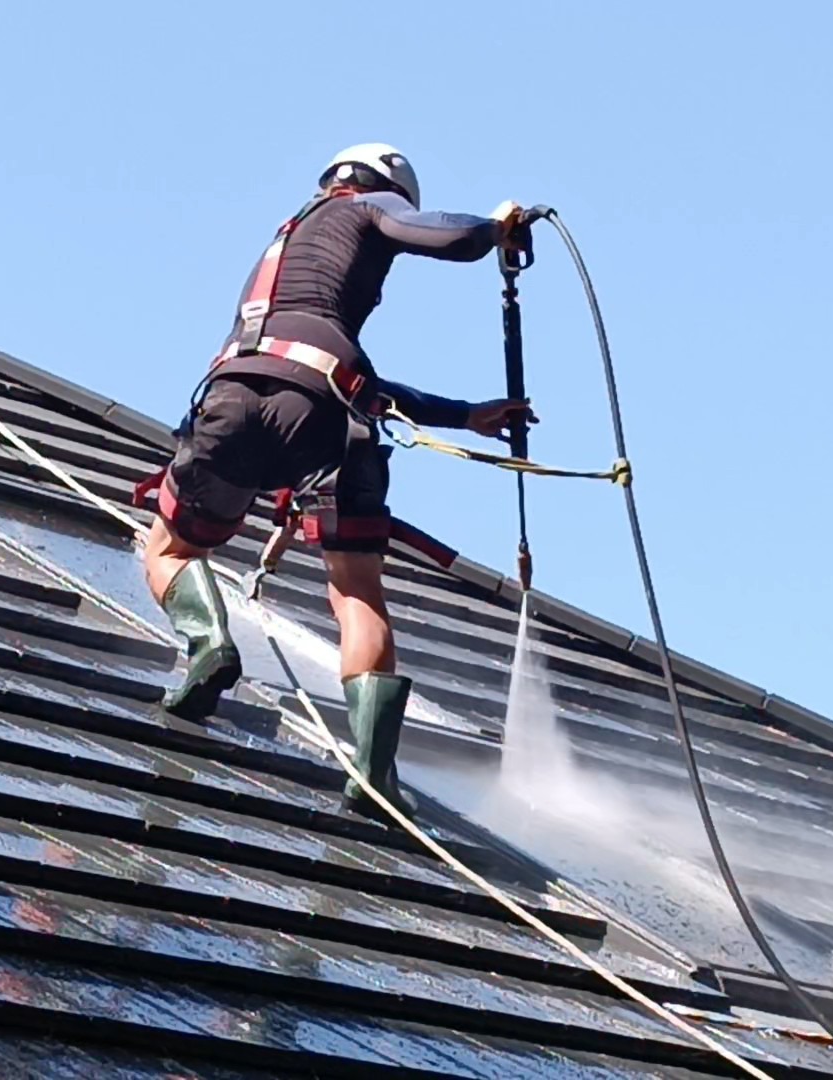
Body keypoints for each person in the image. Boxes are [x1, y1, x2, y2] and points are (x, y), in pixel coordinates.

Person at [138, 143, 533, 819]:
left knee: (170, 549)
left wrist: (466, 416)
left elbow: (325, 365)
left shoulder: (288, 244)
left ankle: (208, 645)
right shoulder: (368, 207)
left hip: (237, 395)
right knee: (356, 589)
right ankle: (375, 771)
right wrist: (496, 229)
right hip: (328, 419)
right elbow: (452, 239)